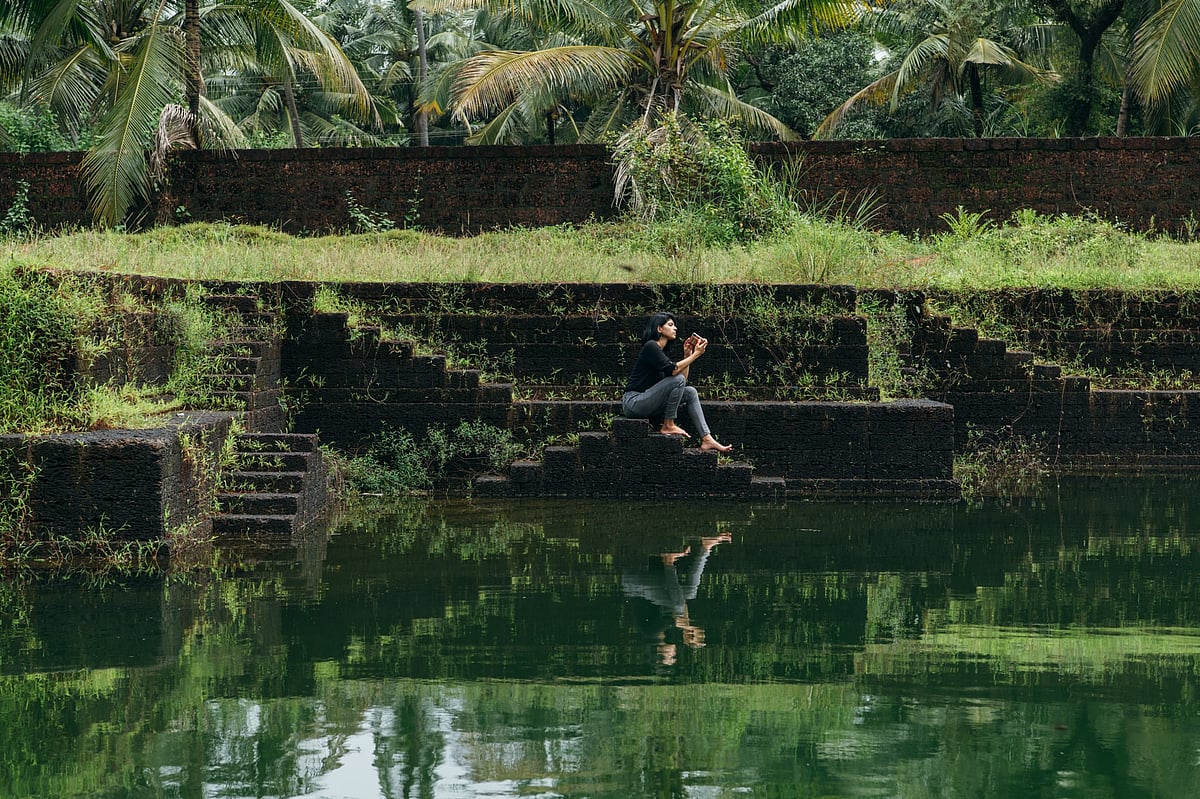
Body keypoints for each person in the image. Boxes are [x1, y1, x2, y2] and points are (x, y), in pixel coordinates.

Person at [622, 311, 733, 452]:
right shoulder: (650, 346)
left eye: (675, 325)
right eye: (670, 325)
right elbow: (674, 372)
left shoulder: (661, 353)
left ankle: (706, 438)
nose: (675, 328)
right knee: (678, 378)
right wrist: (696, 355)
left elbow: (681, 382)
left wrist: (687, 355)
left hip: (648, 401)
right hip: (633, 402)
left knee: (690, 392)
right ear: (659, 329)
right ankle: (668, 424)